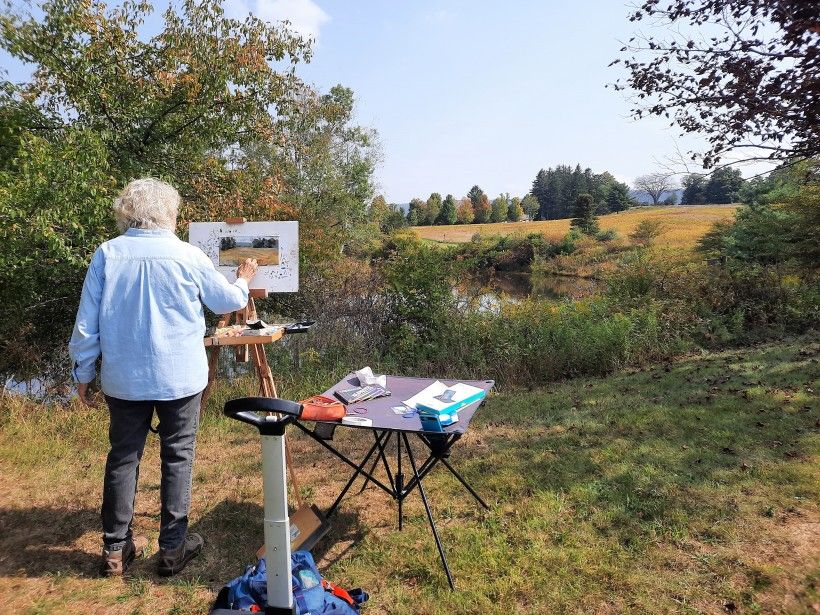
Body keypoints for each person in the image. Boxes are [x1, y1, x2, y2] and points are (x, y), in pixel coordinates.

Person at [69, 178, 258, 577]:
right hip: (180, 379)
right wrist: (243, 277)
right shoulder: (186, 254)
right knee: (178, 456)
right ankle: (172, 549)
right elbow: (227, 300)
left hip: (124, 379)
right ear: (168, 213)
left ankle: (115, 551)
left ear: (128, 213)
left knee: (123, 458)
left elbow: (87, 324)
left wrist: (83, 373)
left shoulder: (108, 254)